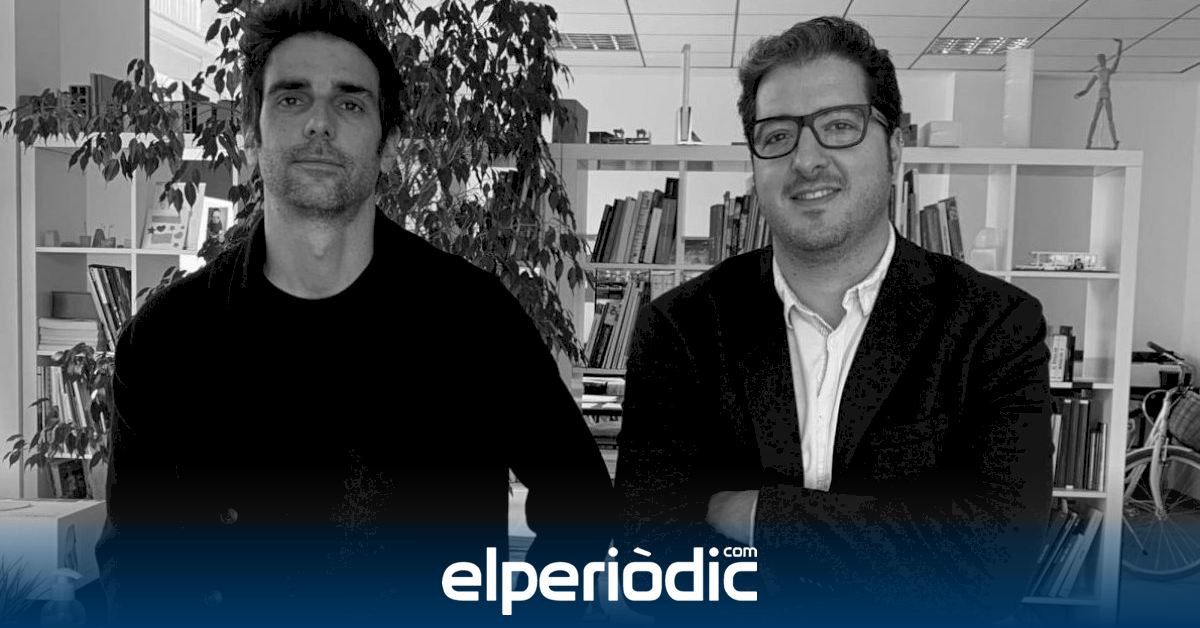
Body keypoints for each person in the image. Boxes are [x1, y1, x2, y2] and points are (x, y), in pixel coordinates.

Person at [96, 1, 614, 626]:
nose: (319, 123)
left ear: (388, 146)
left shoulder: (475, 321)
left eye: (350, 103)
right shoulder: (167, 340)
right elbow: (133, 566)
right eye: (292, 98)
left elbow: (585, 507)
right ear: (251, 135)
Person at [615, 16, 1053, 626]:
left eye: (840, 126)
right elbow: (650, 556)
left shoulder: (994, 326)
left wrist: (759, 516)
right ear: (754, 164)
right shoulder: (680, 328)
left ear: (894, 150)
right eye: (777, 136)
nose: (806, 159)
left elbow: (994, 566)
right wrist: (892, 541)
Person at [1075, 38, 1122, 149]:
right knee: (1095, 119)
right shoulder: (1097, 73)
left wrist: (1120, 45)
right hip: (1101, 94)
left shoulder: (1107, 71)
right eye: (1099, 60)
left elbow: (1117, 59)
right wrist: (1080, 94)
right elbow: (1087, 88)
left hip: (1106, 94)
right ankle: (1088, 141)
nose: (1101, 61)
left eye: (1102, 59)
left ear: (1104, 60)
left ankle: (1115, 141)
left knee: (1109, 119)